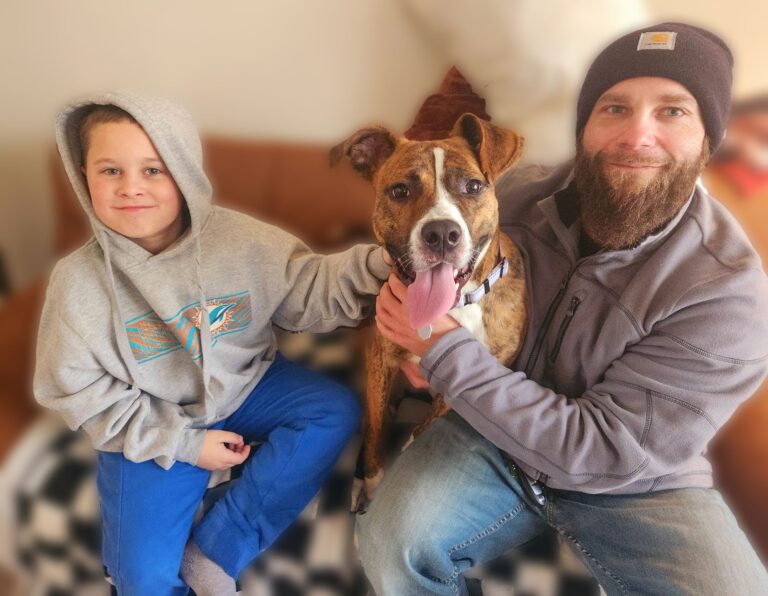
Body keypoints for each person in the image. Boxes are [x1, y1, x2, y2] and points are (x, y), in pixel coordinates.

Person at [361, 22, 768, 595]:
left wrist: (444, 352)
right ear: (585, 126)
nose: (637, 136)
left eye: (673, 112)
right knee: (389, 544)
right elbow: (421, 238)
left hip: (635, 482)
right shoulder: (517, 196)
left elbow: (600, 450)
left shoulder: (730, 293)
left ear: (708, 138)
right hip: (490, 430)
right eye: (614, 108)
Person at [33, 92, 390, 595]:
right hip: (152, 418)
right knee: (143, 580)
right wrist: (186, 445)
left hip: (246, 385)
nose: (132, 187)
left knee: (332, 410)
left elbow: (310, 287)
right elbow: (77, 392)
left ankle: (218, 547)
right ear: (83, 175)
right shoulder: (77, 284)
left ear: (183, 172)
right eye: (110, 171)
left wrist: (381, 264)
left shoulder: (241, 241)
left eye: (153, 170)